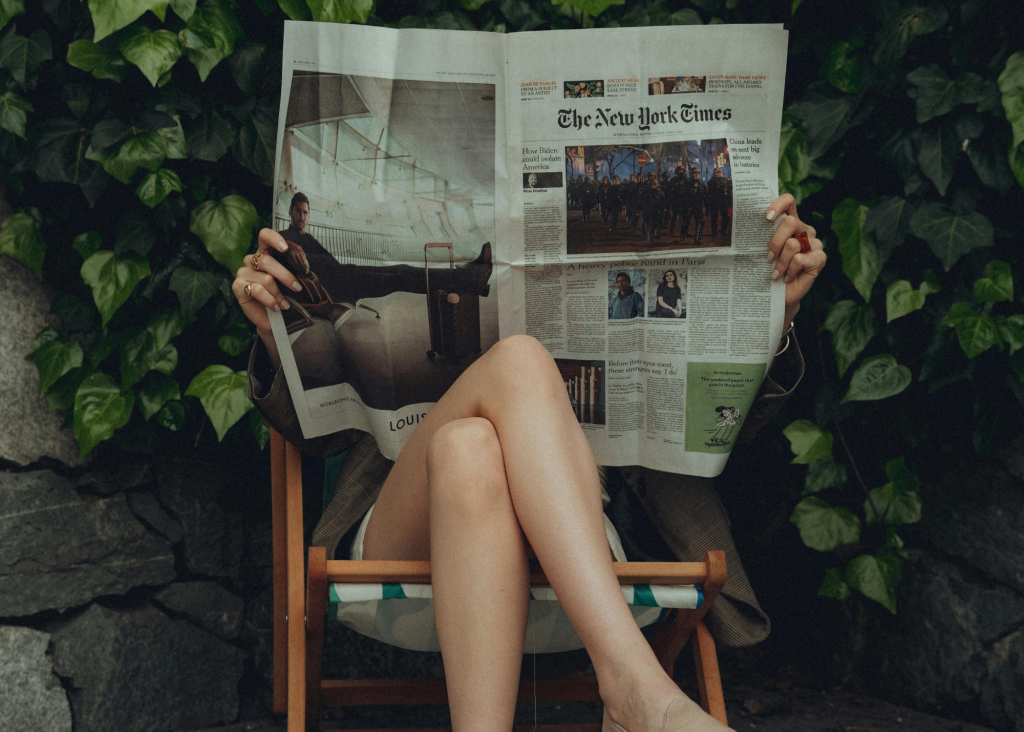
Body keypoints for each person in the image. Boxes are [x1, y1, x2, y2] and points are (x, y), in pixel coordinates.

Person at [235, 194, 826, 732]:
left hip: (585, 527)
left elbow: (720, 427)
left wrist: (773, 308)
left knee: (469, 449)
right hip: (405, 518)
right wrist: (277, 330)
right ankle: (634, 687)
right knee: (518, 361)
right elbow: (312, 430)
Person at [276, 192, 493, 301]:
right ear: (290, 212)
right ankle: (472, 279)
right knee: (400, 278)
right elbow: (280, 248)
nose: (302, 216)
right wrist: (286, 243)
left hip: (347, 273)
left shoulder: (307, 236)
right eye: (298, 211)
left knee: (404, 268)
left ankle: (471, 278)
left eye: (305, 212)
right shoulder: (286, 237)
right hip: (338, 287)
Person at [708, 167, 732, 237]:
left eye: (720, 172)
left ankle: (723, 229)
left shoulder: (725, 181)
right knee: (714, 217)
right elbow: (711, 191)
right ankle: (714, 231)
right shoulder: (711, 182)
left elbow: (728, 192)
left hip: (723, 201)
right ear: (714, 174)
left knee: (726, 216)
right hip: (714, 201)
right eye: (717, 172)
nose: (719, 174)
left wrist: (729, 202)